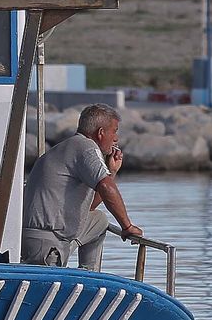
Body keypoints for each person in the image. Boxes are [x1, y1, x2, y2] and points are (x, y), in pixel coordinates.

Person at [21, 103, 141, 271]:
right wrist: (127, 227)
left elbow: (88, 208)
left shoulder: (68, 146)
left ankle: (89, 274)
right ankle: (85, 277)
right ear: (100, 133)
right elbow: (106, 188)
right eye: (114, 131)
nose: (116, 139)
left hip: (47, 236)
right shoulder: (86, 148)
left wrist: (111, 172)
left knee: (99, 220)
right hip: (46, 243)